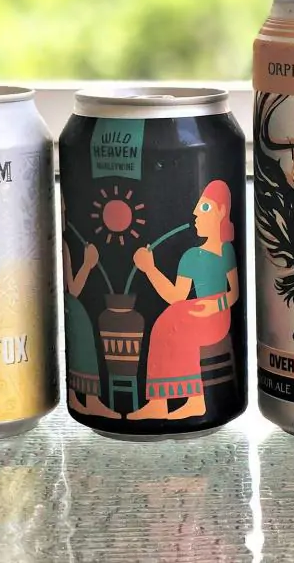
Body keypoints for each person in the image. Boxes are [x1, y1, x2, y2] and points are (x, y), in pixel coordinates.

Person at [126, 180, 239, 421]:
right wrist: (150, 269)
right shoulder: (190, 256)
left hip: (218, 318)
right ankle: (159, 403)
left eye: (205, 207)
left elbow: (234, 292)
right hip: (195, 312)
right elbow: (176, 296)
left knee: (178, 326)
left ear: (221, 211)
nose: (196, 213)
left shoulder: (227, 250)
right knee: (166, 323)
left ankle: (194, 402)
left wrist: (216, 305)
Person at [63, 208, 120, 419]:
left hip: (75, 307)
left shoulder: (68, 243)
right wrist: (88, 264)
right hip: (75, 307)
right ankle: (89, 401)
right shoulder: (67, 245)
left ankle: (85, 400)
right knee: (84, 346)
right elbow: (73, 289)